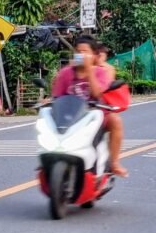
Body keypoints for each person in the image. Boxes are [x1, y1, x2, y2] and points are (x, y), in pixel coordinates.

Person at [50, 36, 128, 178]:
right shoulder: (66, 73)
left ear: (94, 55)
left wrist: (89, 70)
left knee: (116, 120)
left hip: (94, 116)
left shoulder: (100, 72)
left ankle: (115, 163)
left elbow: (97, 93)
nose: (81, 55)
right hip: (70, 117)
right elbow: (56, 96)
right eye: (78, 52)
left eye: (85, 52)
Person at [96, 44, 128, 178]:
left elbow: (103, 87)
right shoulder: (73, 69)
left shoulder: (106, 69)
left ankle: (114, 162)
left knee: (115, 120)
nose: (98, 57)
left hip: (99, 109)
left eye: (101, 55)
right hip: (77, 110)